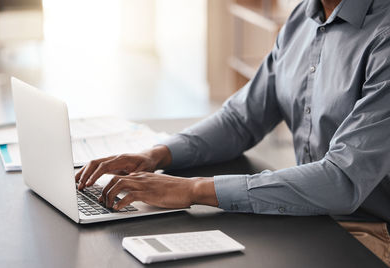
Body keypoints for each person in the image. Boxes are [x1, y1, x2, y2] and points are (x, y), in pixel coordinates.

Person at [76, 0, 390, 265]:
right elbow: (242, 118)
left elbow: (341, 180)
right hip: (308, 215)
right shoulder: (303, 19)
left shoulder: (384, 38)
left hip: (369, 230)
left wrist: (192, 190)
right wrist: (155, 154)